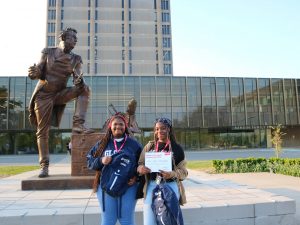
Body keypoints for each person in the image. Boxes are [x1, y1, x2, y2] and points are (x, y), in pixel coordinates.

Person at [28, 27, 93, 178]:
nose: (75, 41)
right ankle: (44, 166)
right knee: (42, 131)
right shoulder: (48, 52)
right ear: (63, 38)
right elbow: (38, 70)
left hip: (59, 94)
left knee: (85, 89)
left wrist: (79, 80)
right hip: (43, 95)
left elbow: (78, 76)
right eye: (72, 38)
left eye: (76, 39)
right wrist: (34, 73)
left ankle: (79, 124)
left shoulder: (76, 59)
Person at [87, 113, 142, 225]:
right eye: (115, 124)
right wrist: (101, 160)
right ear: (110, 126)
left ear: (125, 126)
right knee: (108, 220)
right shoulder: (102, 144)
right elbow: (89, 161)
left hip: (128, 187)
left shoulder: (134, 145)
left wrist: (136, 177)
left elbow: (142, 164)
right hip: (106, 186)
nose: (118, 127)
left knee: (126, 220)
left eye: (121, 124)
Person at [137, 117, 188, 225]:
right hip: (152, 185)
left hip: (170, 186)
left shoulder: (177, 148)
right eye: (157, 129)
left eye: (163, 128)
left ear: (169, 129)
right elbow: (140, 164)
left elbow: (184, 172)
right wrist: (141, 169)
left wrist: (172, 174)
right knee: (149, 221)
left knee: (168, 220)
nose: (159, 131)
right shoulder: (149, 146)